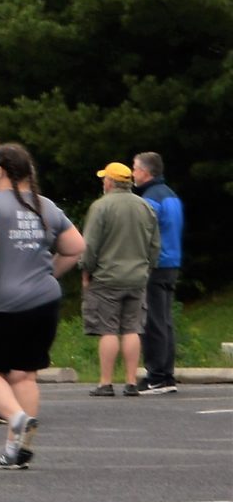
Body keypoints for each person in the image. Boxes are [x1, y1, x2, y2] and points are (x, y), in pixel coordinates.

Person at [0, 143, 84, 469]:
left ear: (0, 170)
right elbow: (76, 247)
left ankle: (15, 417)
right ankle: (16, 448)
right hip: (43, 301)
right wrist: (47, 273)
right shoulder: (46, 206)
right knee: (24, 375)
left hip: (2, 303)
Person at [77, 162, 158, 398]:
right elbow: (155, 246)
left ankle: (105, 382)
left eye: (105, 179)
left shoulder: (101, 207)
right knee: (132, 328)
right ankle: (132, 382)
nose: (103, 182)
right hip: (137, 277)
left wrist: (86, 271)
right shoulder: (145, 207)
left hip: (106, 277)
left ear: (111, 182)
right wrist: (147, 268)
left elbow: (89, 245)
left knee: (108, 329)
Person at [133, 152, 184, 393]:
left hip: (155, 264)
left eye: (135, 168)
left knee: (152, 321)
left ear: (145, 172)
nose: (133, 173)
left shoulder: (150, 199)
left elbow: (144, 233)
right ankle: (167, 372)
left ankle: (156, 375)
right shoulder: (171, 195)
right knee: (165, 320)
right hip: (172, 261)